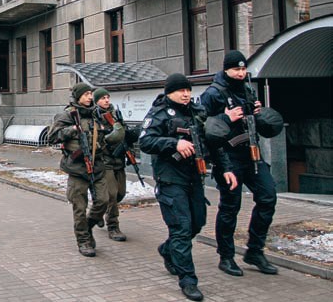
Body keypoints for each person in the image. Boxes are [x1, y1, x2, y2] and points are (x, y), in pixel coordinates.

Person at [139, 73, 238, 301]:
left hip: (194, 178)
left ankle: (168, 250)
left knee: (197, 223)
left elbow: (215, 142)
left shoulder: (198, 112)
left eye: (188, 90)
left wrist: (226, 168)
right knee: (181, 228)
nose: (185, 94)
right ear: (169, 92)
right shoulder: (159, 113)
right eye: (180, 90)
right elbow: (145, 141)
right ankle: (188, 280)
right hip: (171, 180)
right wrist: (174, 143)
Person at [200, 50, 280, 277]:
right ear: (226, 69)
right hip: (228, 157)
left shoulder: (247, 89)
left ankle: (255, 250)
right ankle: (226, 256)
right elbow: (204, 128)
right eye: (236, 69)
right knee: (230, 207)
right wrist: (225, 118)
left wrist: (257, 113)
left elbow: (256, 122)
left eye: (243, 69)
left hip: (252, 154)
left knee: (268, 197)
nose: (241, 73)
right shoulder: (213, 94)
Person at [48, 82, 102, 257]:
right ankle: (83, 240)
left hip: (97, 165)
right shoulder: (67, 115)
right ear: (78, 97)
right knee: (80, 207)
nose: (90, 97)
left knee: (104, 201)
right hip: (77, 168)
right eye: (86, 94)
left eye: (90, 94)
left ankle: (88, 226)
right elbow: (52, 137)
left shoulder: (96, 114)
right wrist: (72, 130)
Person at [88, 88, 131, 242]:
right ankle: (113, 226)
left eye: (108, 97)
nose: (106, 100)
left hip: (119, 160)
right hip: (104, 161)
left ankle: (100, 211)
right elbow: (94, 139)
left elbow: (124, 133)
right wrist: (107, 139)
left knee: (120, 193)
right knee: (111, 195)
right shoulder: (93, 117)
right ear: (96, 101)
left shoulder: (115, 115)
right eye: (103, 98)